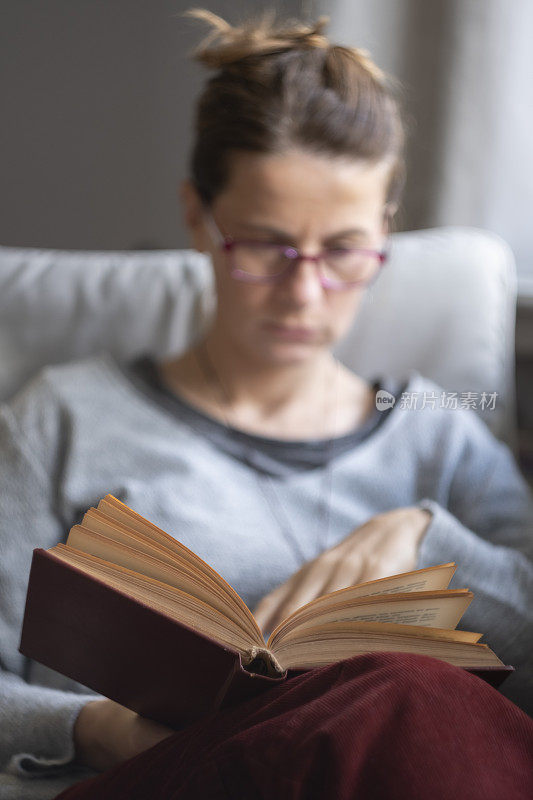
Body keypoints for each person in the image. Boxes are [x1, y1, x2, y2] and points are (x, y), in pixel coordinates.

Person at [1, 8, 533, 800]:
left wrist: (422, 540)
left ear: (384, 232)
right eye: (263, 247)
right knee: (398, 696)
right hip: (164, 780)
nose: (303, 292)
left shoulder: (442, 435)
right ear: (197, 218)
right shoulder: (61, 421)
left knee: (406, 700)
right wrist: (102, 729)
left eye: (344, 251)